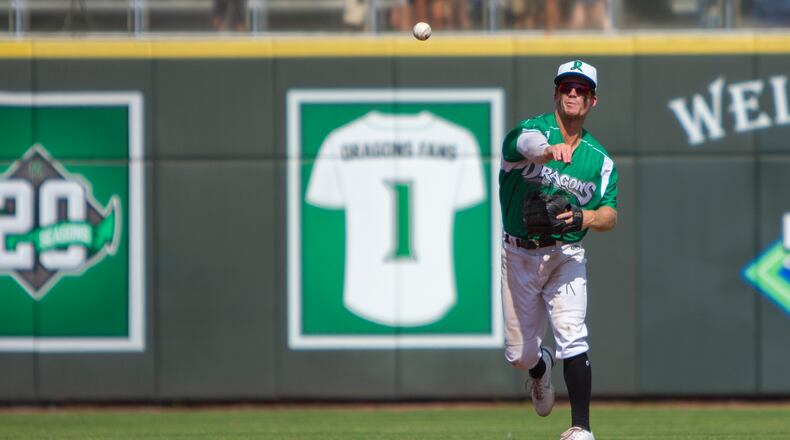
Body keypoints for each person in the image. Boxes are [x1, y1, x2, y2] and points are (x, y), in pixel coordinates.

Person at [499, 60, 618, 440]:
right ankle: (539, 369)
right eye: (566, 86)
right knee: (519, 355)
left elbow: (610, 215)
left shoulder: (599, 160)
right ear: (555, 93)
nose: (572, 93)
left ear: (592, 101)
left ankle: (581, 429)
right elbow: (521, 145)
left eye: (581, 89)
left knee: (573, 334)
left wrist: (584, 217)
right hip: (519, 254)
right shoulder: (535, 131)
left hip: (566, 256)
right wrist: (548, 151)